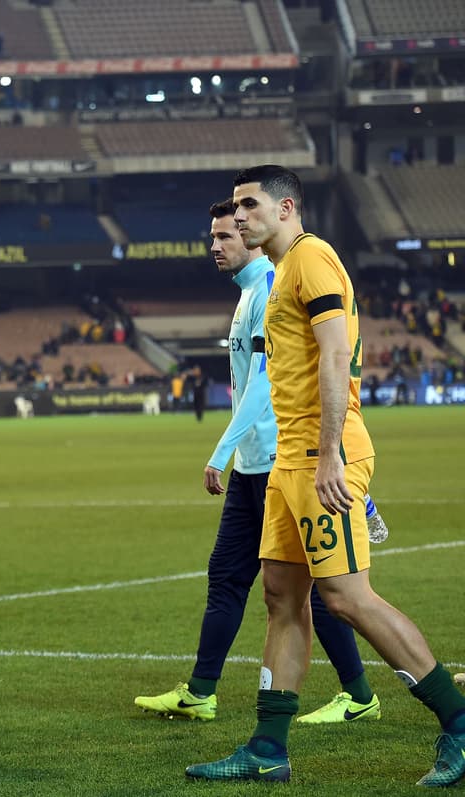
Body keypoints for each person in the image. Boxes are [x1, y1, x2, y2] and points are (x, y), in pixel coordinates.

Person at [187, 165, 465, 786]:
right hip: (290, 459)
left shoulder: (312, 259)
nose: (237, 217)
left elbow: (337, 354)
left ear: (286, 208)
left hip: (320, 457)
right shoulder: (283, 271)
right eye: (234, 208)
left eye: (249, 205)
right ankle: (267, 747)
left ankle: (459, 723)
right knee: (282, 599)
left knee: (346, 597)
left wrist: (332, 452)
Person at [136, 199, 388, 725]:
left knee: (321, 591)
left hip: (282, 460)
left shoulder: (271, 287)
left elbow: (263, 386)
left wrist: (220, 449)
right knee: (228, 576)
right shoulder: (251, 293)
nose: (217, 245)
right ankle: (202, 690)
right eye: (215, 236)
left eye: (226, 235)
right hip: (256, 465)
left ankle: (365, 695)